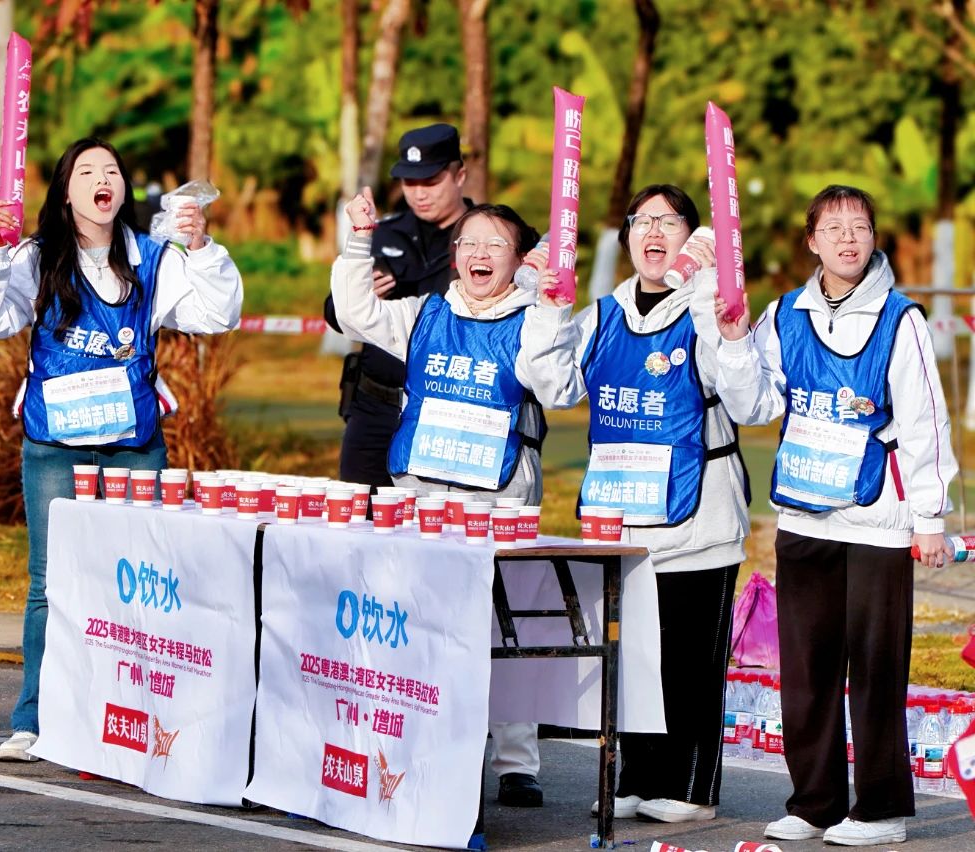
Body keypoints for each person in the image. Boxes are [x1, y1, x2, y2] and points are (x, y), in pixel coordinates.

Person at [0, 137, 242, 762]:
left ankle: (135, 718)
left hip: (134, 448)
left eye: (111, 170)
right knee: (50, 583)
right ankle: (34, 719)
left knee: (140, 583)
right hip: (56, 448)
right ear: (65, 191)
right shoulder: (36, 258)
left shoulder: (152, 258)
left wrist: (201, 250)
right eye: (85, 171)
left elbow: (218, 315)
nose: (101, 179)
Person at [715, 185, 956, 846]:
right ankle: (814, 802)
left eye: (860, 227)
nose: (849, 238)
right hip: (803, 518)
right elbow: (755, 405)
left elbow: (925, 421)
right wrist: (734, 343)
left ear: (874, 238)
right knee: (807, 668)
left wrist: (929, 517)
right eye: (834, 227)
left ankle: (881, 811)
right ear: (812, 241)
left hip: (877, 519)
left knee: (876, 668)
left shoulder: (900, 320)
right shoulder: (784, 314)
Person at [332, 192, 563, 807]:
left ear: (520, 258)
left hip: (500, 498)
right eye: (470, 242)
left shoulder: (532, 318)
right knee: (419, 623)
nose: (480, 253)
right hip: (424, 498)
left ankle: (516, 764)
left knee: (507, 628)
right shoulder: (424, 314)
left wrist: (549, 307)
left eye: (496, 244)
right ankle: (418, 742)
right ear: (455, 254)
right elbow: (354, 311)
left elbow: (558, 386)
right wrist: (358, 240)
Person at [531, 185, 751, 823]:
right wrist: (548, 311)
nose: (654, 232)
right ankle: (636, 777)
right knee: (632, 658)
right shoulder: (602, 315)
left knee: (688, 661)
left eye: (669, 221)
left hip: (698, 517)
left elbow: (740, 389)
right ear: (627, 234)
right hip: (622, 515)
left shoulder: (712, 308)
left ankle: (688, 789)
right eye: (642, 221)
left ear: (692, 236)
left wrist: (710, 297)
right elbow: (554, 386)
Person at [324, 124, 471, 490]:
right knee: (360, 512)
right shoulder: (380, 233)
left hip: (451, 409)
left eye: (431, 181)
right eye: (409, 182)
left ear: (460, 176)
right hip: (375, 407)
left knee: (438, 519)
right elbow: (333, 312)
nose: (419, 194)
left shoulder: (487, 237)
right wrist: (357, 298)